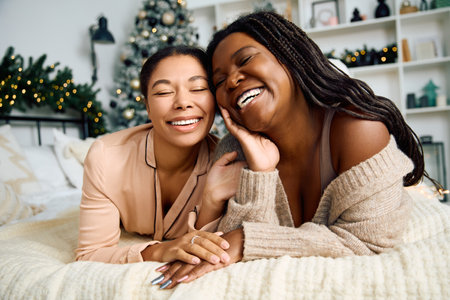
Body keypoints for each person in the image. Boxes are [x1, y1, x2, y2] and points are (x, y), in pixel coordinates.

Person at [151, 11, 438, 289]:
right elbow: (227, 256)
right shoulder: (234, 150)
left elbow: (367, 243)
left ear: (290, 58)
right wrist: (260, 174)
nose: (233, 81)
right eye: (220, 82)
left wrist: (246, 240)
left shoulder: (357, 129)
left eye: (246, 60)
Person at [76, 46, 244, 269]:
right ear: (146, 105)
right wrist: (160, 250)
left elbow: (211, 245)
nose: (183, 103)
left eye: (199, 88)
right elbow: (90, 254)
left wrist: (211, 199)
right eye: (164, 92)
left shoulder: (228, 162)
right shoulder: (106, 157)